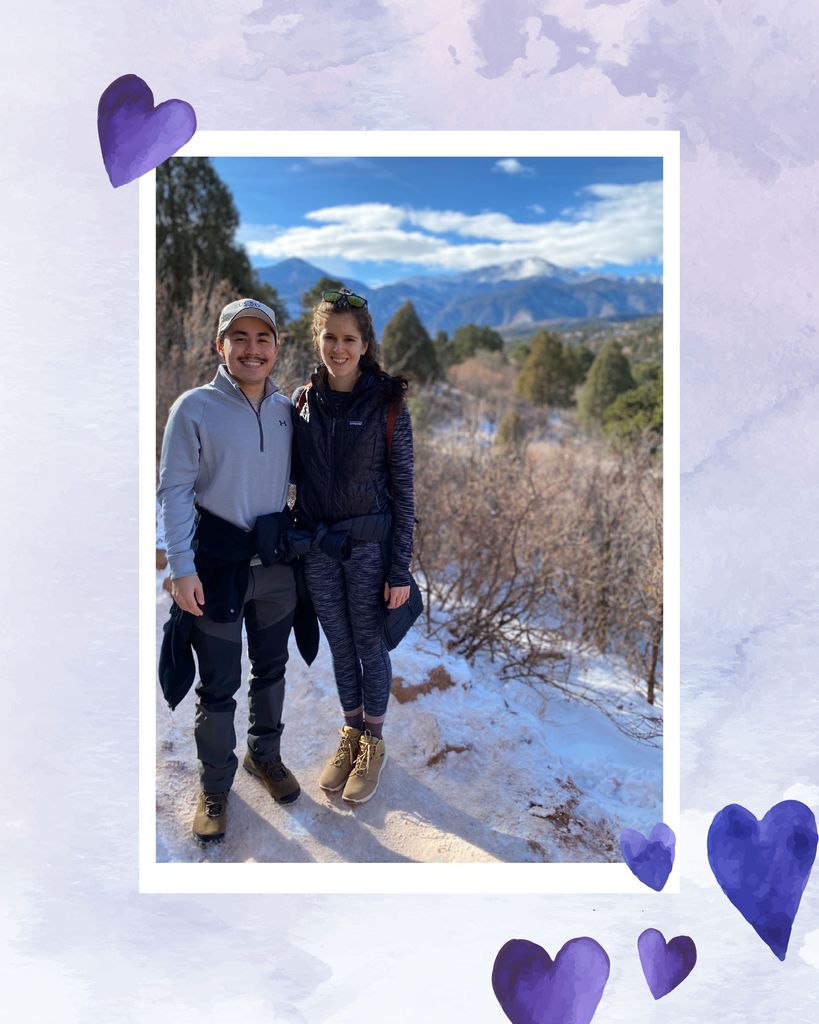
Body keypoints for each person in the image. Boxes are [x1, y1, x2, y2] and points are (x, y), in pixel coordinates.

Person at [158, 298, 300, 844]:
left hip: (274, 567)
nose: (251, 348)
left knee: (272, 670)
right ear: (221, 345)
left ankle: (265, 755)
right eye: (238, 337)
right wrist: (181, 567)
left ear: (275, 347)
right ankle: (215, 785)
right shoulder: (194, 408)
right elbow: (173, 490)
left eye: (262, 338)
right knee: (218, 687)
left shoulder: (289, 410)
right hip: (216, 567)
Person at [292, 287, 415, 805]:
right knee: (340, 645)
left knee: (370, 644)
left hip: (369, 548)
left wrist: (400, 570)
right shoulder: (300, 403)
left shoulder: (387, 405)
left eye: (349, 338)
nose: (338, 348)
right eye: (329, 336)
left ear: (365, 344)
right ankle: (350, 734)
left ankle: (375, 742)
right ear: (316, 338)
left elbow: (404, 492)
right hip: (319, 546)